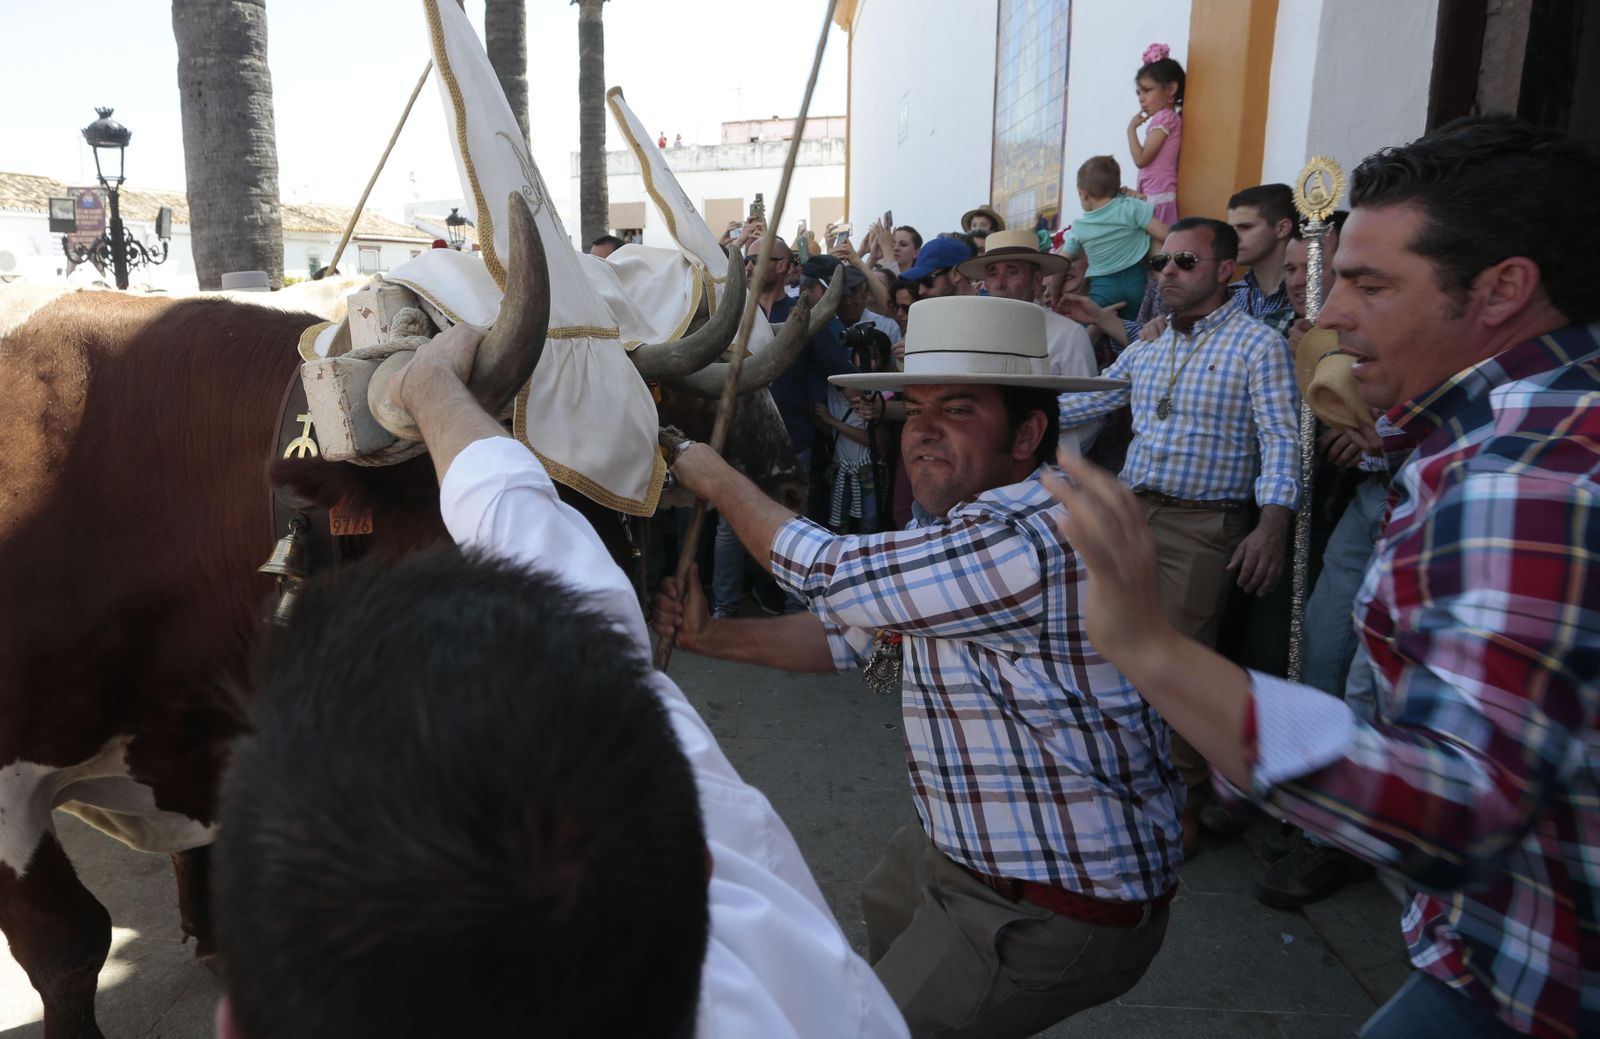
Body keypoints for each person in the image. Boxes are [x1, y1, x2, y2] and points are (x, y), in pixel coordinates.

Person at [1042, 115, 1600, 1039]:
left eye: (1369, 282)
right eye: (1336, 274)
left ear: (1504, 288)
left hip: (1533, 989)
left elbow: (1457, 805)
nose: (1332, 312)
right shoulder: (1504, 439)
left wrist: (1152, 650)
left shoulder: (1522, 479)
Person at [210, 323, 908, 1039]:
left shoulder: (767, 931)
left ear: (233, 1025)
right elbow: (568, 585)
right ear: (697, 868)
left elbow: (561, 578)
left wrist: (425, 386)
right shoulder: (807, 987)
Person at [655, 295, 1181, 1038]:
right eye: (913, 405)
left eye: (959, 409)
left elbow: (829, 568)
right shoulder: (953, 522)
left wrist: (716, 478)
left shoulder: (1028, 532)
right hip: (960, 854)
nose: (922, 429)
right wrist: (716, 638)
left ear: (1028, 432)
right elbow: (853, 639)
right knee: (873, 934)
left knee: (855, 1025)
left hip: (1045, 903)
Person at [1056, 217, 1299, 854]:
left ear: (1227, 271)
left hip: (1204, 521)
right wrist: (1001, 404)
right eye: (1162, 262)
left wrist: (1271, 525)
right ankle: (1122, 785)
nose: (1167, 272)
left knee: (1182, 657)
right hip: (1131, 512)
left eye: (1185, 262)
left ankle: (1184, 801)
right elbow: (1094, 400)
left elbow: (1281, 440)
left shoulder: (1257, 345)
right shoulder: (1151, 344)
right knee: (1107, 645)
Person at [1059, 156, 1171, 314]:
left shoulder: (1079, 227)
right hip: (1136, 281)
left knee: (1091, 321)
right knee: (1135, 322)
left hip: (1104, 287)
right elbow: (1165, 234)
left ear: (1083, 194)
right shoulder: (1131, 207)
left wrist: (1054, 294)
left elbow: (1061, 261)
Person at [1128, 43, 1184, 225]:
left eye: (1147, 90)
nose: (1141, 99)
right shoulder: (1166, 118)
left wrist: (1130, 130)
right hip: (1154, 197)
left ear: (1170, 89)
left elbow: (1142, 159)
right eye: (1138, 93)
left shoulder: (1164, 118)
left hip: (1159, 199)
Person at [1226, 183, 1296, 327]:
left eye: (1245, 227)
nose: (1233, 238)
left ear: (1282, 228)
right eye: (1231, 230)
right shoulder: (1227, 297)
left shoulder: (1308, 293)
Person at [899, 236, 975, 299]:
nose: (921, 291)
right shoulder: (928, 313)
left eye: (927, 281)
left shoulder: (986, 308)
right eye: (917, 283)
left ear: (955, 275)